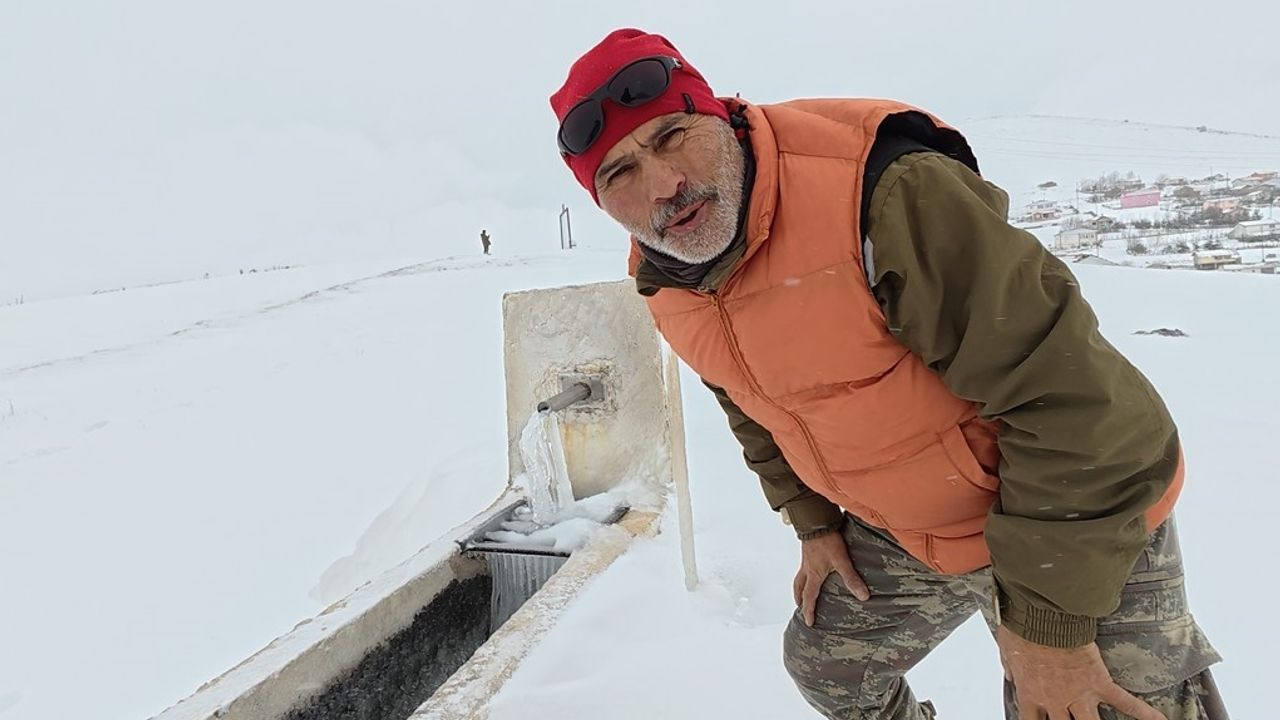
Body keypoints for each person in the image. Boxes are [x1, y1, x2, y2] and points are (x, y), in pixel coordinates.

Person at [550, 28, 1228, 720]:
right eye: (619, 173)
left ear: (719, 114)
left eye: (672, 136)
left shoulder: (880, 195)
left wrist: (1048, 629)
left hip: (1068, 508)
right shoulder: (666, 278)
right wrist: (814, 523)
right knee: (830, 667)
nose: (665, 186)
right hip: (914, 526)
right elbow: (747, 400)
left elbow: (1076, 407)